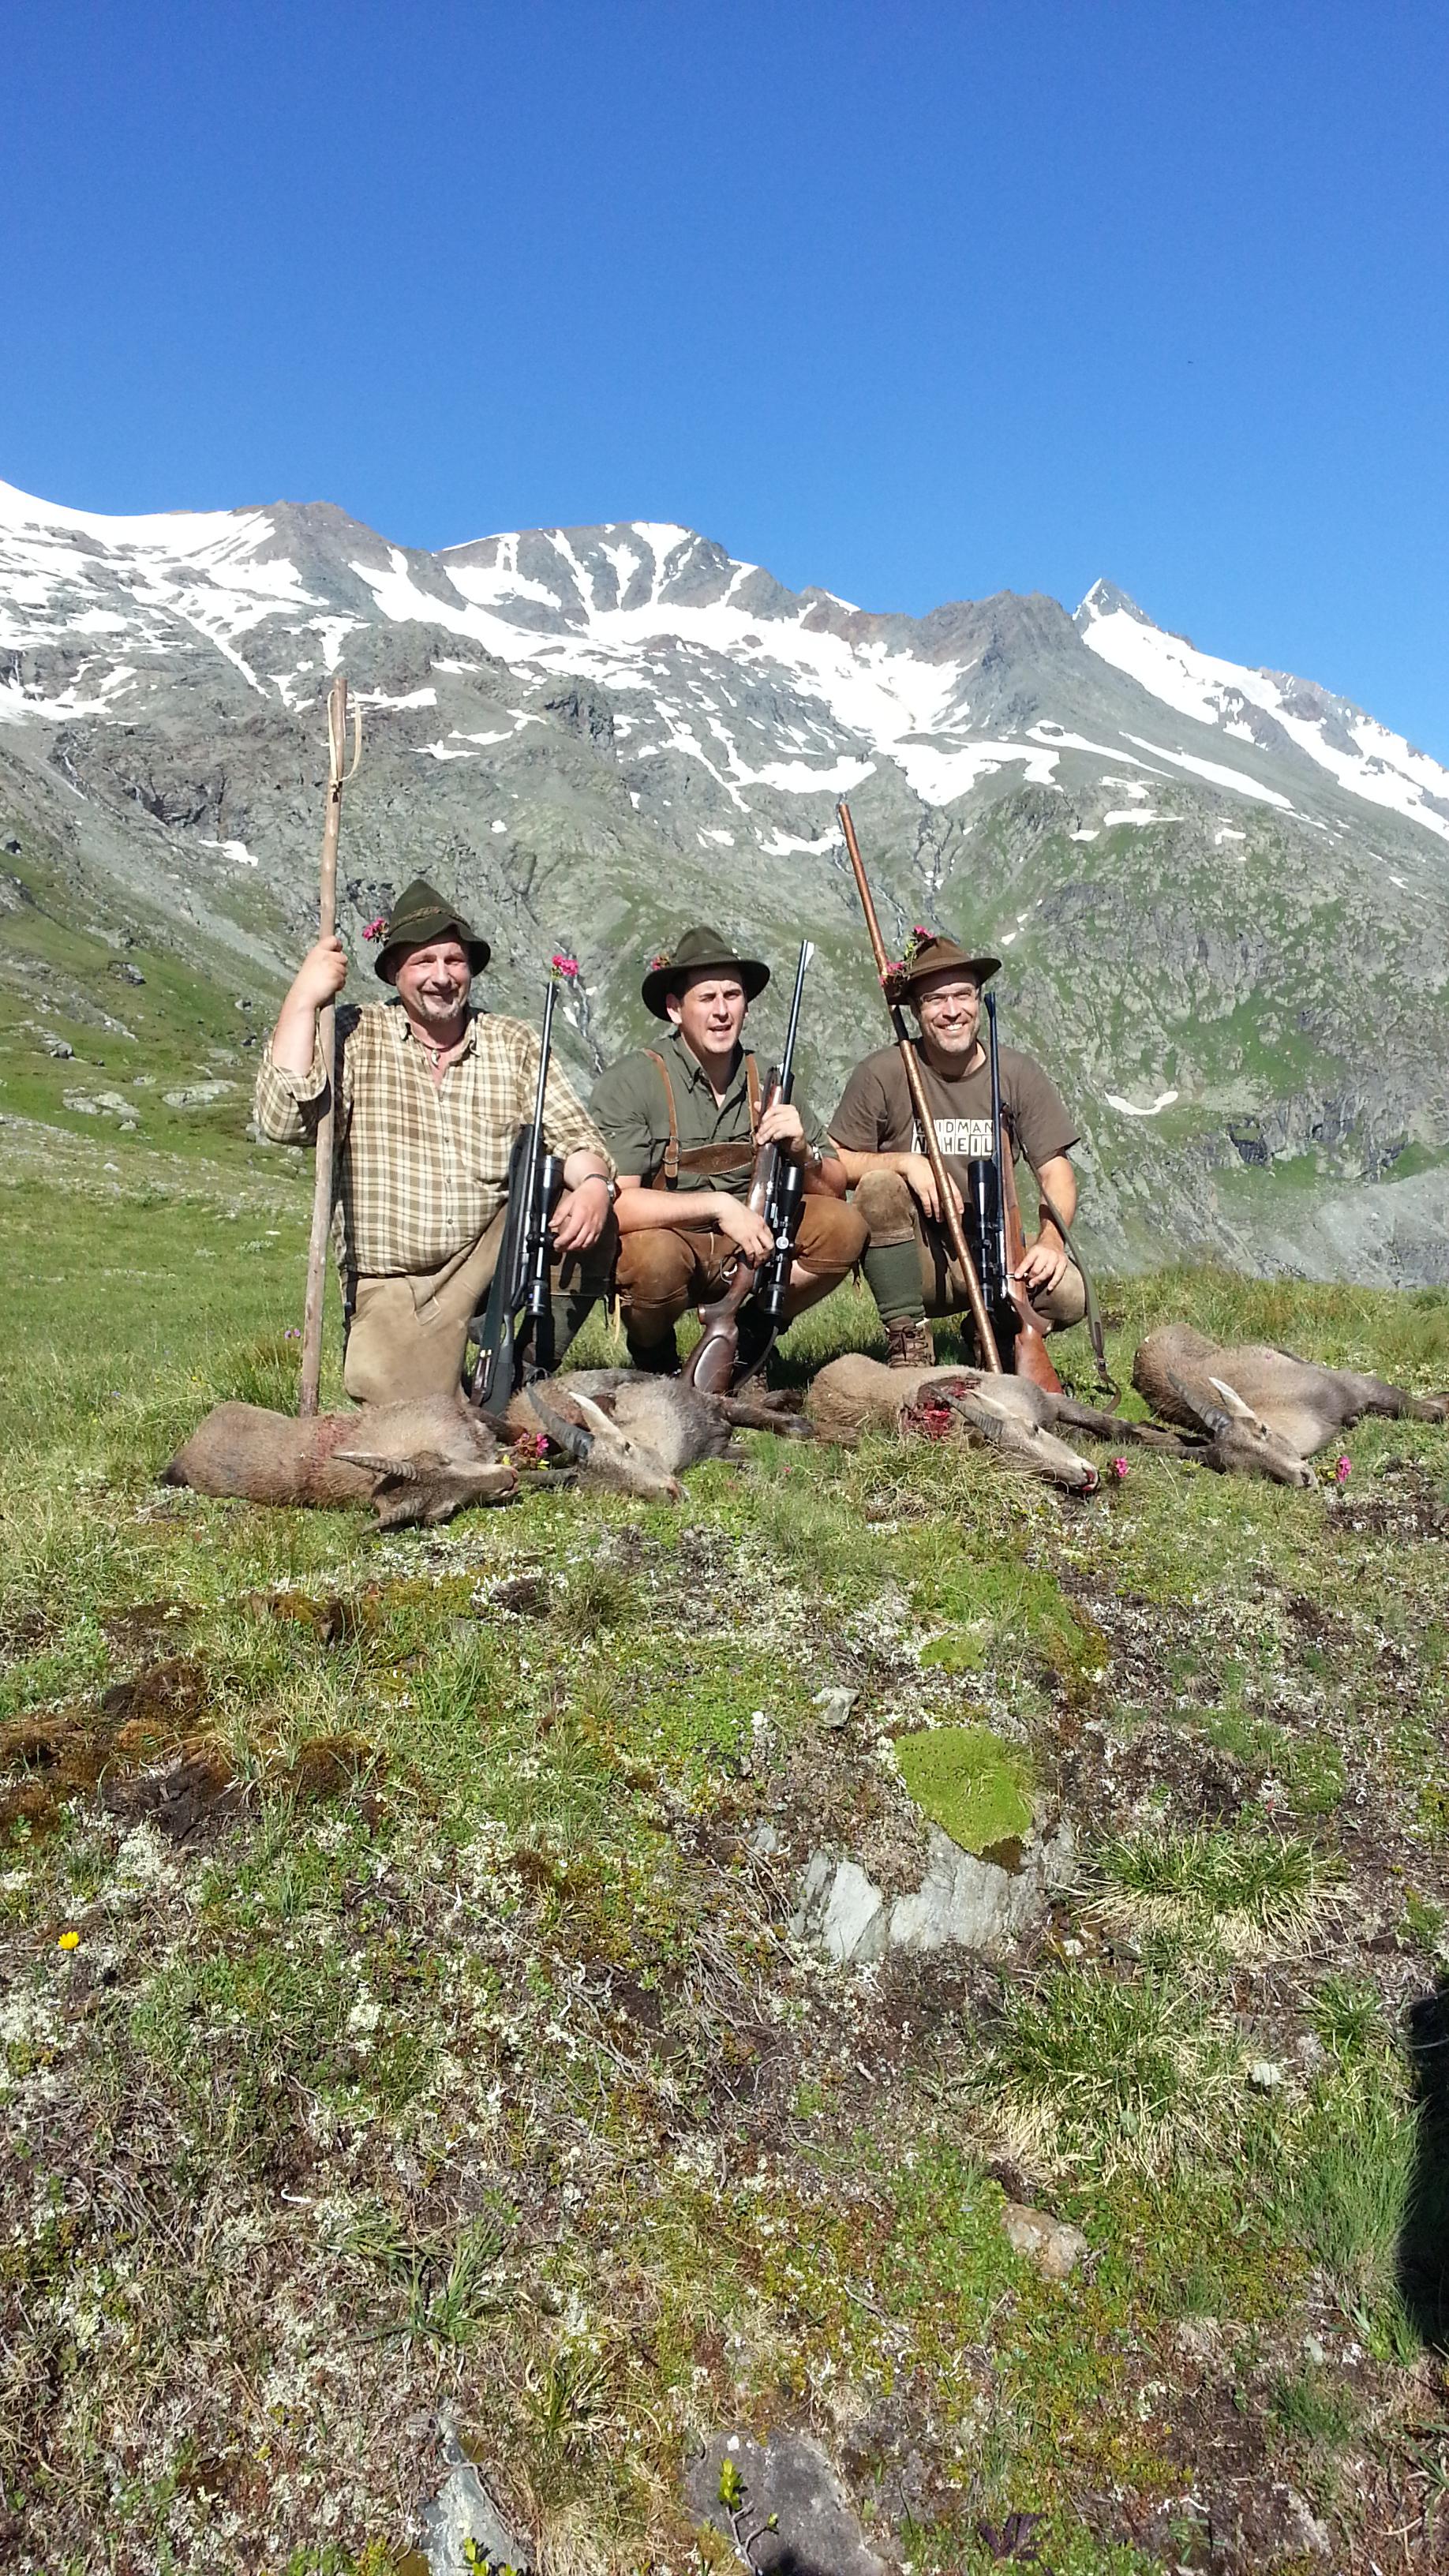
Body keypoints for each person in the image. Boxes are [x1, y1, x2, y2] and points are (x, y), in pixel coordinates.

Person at [253, 877, 615, 1403]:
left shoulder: (512, 1042)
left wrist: (594, 1184)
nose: (442, 977)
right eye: (424, 962)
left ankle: (527, 1371)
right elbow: (283, 1120)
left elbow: (575, 1133)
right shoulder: (354, 1034)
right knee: (410, 1420)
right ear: (396, 972)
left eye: (454, 961)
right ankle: (443, 1375)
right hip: (396, 1278)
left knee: (594, 1214)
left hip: (495, 1254)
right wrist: (304, 999)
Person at [588, 927, 868, 1375]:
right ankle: (654, 1358)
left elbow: (834, 1186)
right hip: (672, 1241)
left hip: (754, 1247)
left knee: (845, 1227)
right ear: (674, 1009)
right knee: (652, 1262)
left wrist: (801, 1150)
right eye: (706, 998)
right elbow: (617, 1202)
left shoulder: (770, 1081)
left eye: (732, 996)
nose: (721, 1012)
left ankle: (750, 1339)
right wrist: (719, 1207)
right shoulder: (632, 1081)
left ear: (746, 1008)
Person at [829, 932, 1086, 1366]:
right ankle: (908, 1342)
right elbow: (834, 1161)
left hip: (998, 1252)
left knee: (1070, 1296)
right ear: (916, 1010)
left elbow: (1055, 1171)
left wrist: (1051, 1241)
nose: (952, 1011)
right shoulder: (883, 1072)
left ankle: (996, 1328)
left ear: (978, 1000)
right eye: (935, 999)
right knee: (876, 1185)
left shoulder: (1017, 1073)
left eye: (962, 996)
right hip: (919, 1260)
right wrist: (907, 1163)